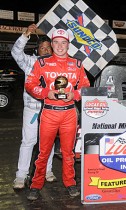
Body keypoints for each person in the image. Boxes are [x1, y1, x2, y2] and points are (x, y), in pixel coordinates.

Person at [25, 28, 90, 200]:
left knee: (68, 153)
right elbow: (30, 84)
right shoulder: (41, 63)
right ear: (51, 44)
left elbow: (85, 86)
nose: (60, 46)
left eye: (63, 42)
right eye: (56, 42)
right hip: (49, 113)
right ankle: (36, 185)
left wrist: (75, 95)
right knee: (43, 152)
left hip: (69, 114)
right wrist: (46, 92)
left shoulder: (77, 64)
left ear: (68, 44)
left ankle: (70, 183)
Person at [11, 24, 57, 189]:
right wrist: (26, 34)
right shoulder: (29, 62)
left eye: (48, 48)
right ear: (37, 51)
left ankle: (48, 171)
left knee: (49, 142)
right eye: (42, 48)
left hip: (51, 110)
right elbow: (16, 52)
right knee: (28, 141)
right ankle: (20, 176)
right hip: (32, 109)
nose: (45, 50)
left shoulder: (57, 64)